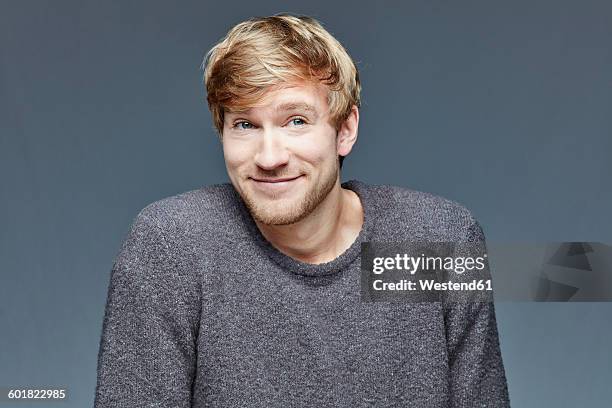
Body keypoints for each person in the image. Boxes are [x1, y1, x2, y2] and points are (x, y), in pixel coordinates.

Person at [94, 13, 510, 407]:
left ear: (345, 130)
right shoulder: (173, 246)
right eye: (245, 124)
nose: (270, 157)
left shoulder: (438, 240)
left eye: (296, 121)